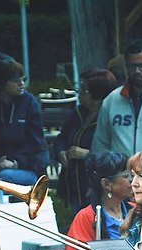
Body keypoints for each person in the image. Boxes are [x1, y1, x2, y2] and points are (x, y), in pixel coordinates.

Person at [0, 59, 48, 187]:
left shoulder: (29, 103)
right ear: (0, 83)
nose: (22, 84)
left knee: (4, 177)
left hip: (27, 168)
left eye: (23, 79)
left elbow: (36, 144)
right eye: (16, 81)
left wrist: (15, 163)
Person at [54, 69, 119, 213]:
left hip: (93, 183)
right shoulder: (77, 113)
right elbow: (61, 138)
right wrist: (61, 152)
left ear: (96, 95)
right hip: (72, 183)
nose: (80, 93)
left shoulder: (110, 117)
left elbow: (115, 153)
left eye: (84, 90)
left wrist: (86, 154)